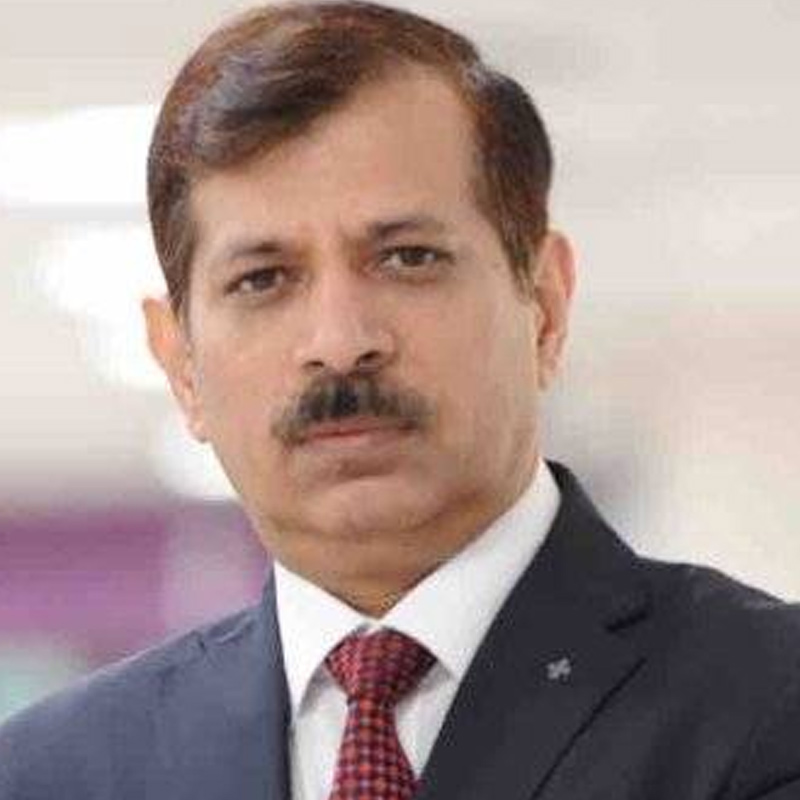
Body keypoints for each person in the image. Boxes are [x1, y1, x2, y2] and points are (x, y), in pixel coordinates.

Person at [1, 2, 799, 798]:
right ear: (181, 365)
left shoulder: (768, 707)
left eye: (408, 258)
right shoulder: (50, 775)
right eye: (262, 279)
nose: (340, 341)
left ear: (545, 308)